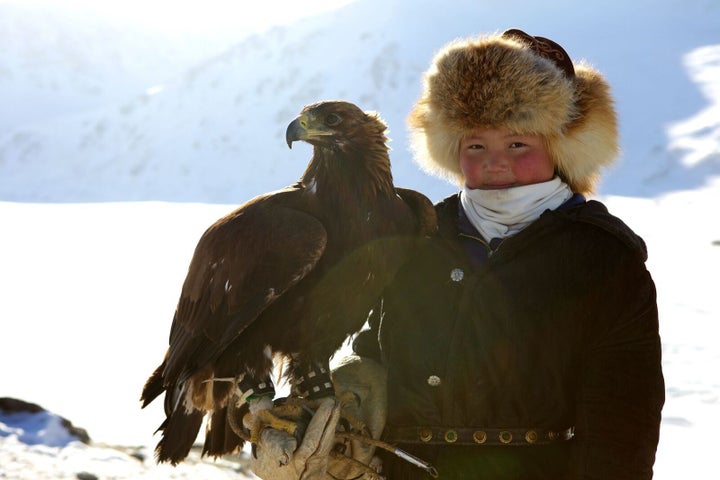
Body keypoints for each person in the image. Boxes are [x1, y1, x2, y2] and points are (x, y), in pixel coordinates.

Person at [251, 29, 665, 479]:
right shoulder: (420, 234)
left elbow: (622, 421)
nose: (494, 162)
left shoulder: (602, 254)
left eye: (517, 144)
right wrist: (347, 400)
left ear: (559, 146)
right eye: (475, 145)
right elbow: (376, 346)